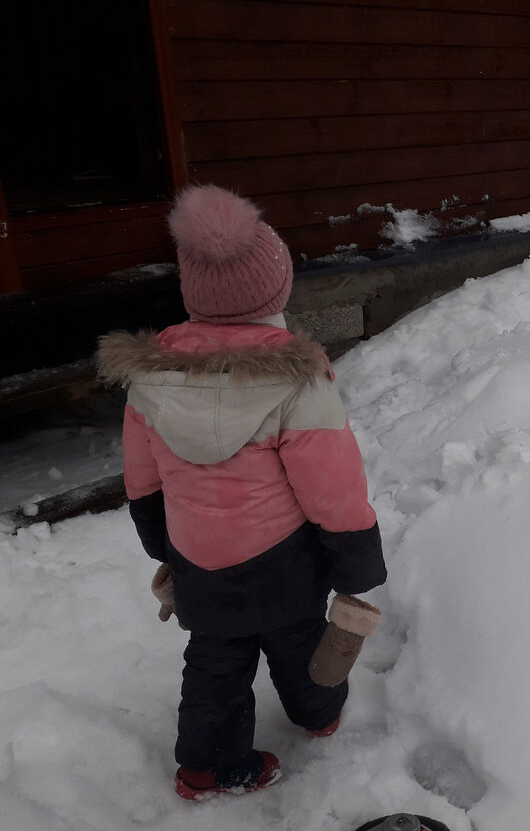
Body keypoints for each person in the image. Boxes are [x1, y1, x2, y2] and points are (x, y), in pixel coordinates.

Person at [97, 185, 387, 799]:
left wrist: (161, 541)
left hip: (198, 555)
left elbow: (142, 473)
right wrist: (354, 559)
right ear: (274, 290)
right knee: (300, 637)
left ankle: (206, 765)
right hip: (282, 558)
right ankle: (319, 712)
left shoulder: (152, 374)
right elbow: (331, 486)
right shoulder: (297, 379)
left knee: (215, 659)